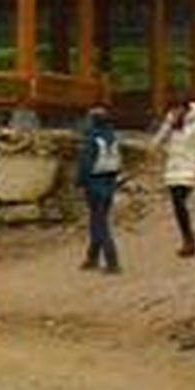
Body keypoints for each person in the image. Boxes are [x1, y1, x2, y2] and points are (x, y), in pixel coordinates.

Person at [153, 101, 195, 257]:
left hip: (189, 168)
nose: (176, 111)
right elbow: (156, 142)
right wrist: (167, 125)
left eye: (178, 108)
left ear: (186, 109)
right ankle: (187, 237)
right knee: (177, 204)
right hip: (173, 169)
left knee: (180, 200)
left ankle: (188, 239)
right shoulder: (171, 125)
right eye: (173, 108)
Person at [76, 107, 123, 273]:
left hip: (94, 183)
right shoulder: (112, 137)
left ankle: (112, 260)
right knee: (99, 219)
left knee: (99, 223)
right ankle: (92, 257)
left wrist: (79, 182)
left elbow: (85, 164)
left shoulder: (90, 139)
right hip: (109, 182)